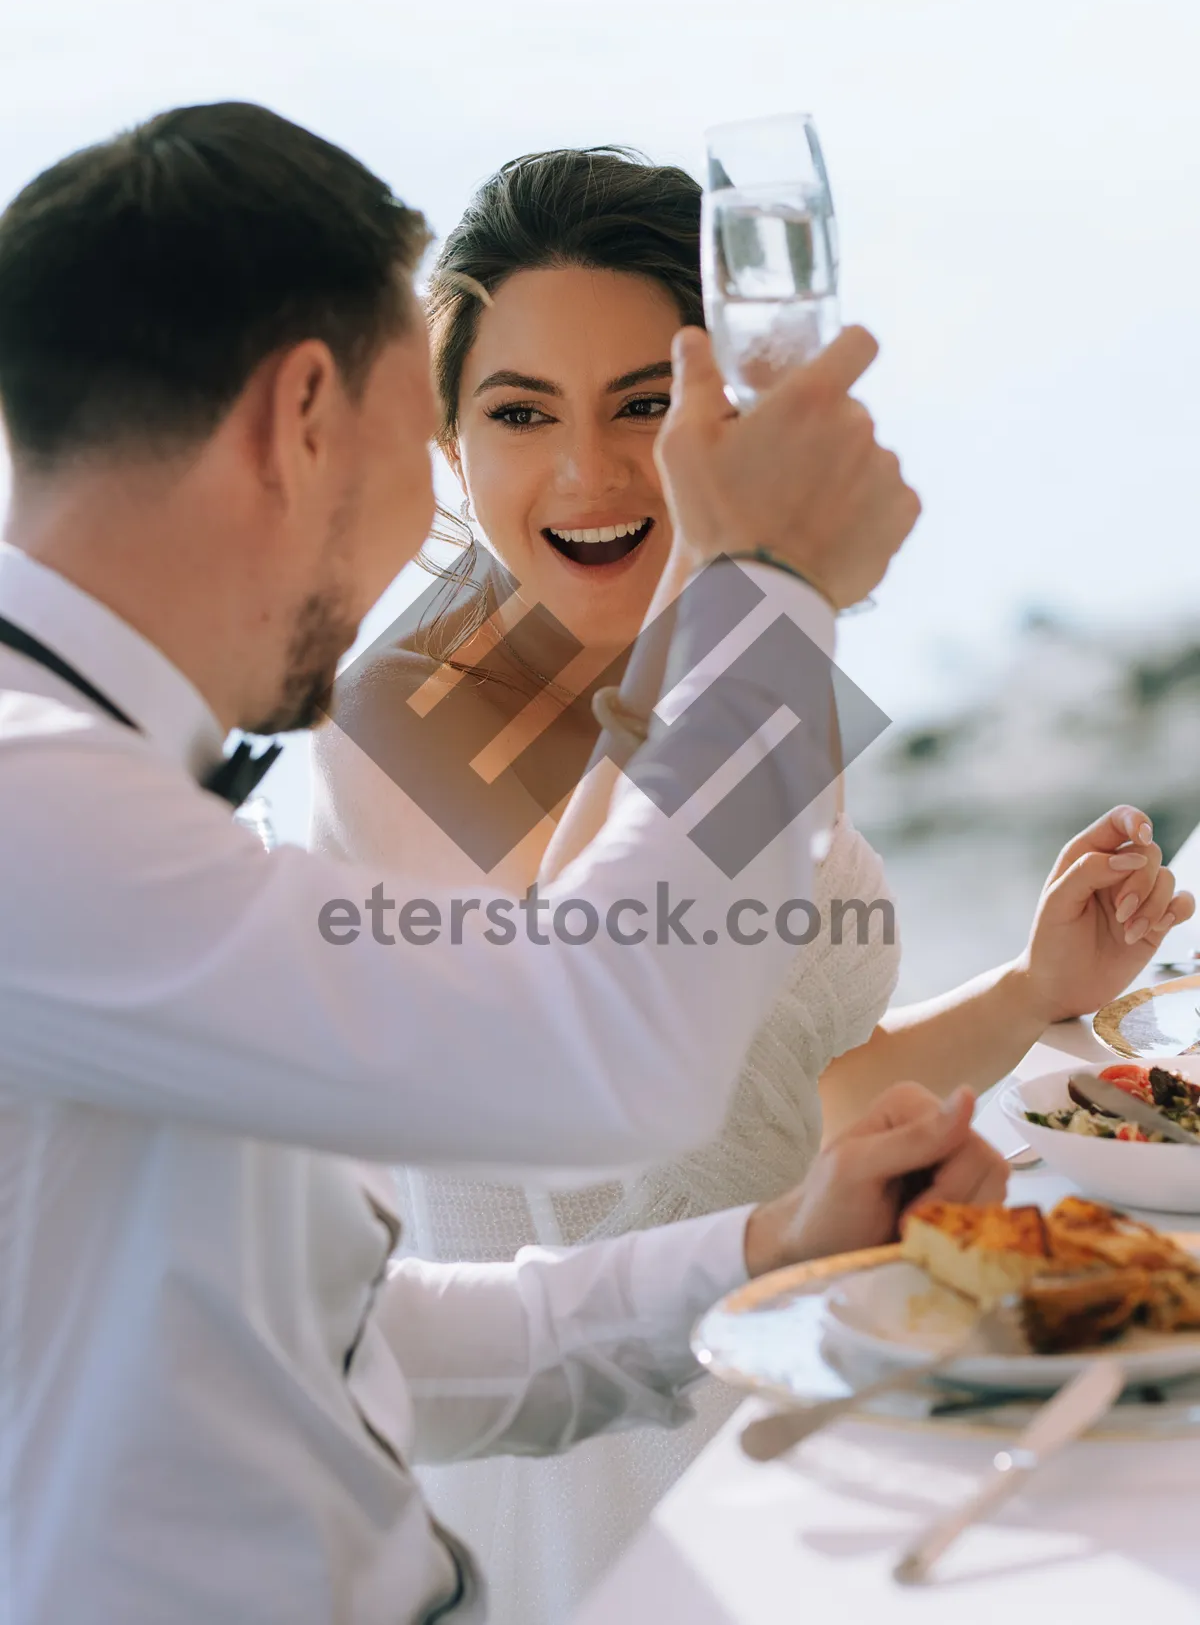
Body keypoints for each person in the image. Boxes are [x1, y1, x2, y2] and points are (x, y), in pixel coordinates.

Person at [0, 98, 961, 1625]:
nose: (434, 540)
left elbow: (335, 1329)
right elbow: (598, 1062)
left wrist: (774, 1245)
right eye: (452, 422)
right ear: (308, 415)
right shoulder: (33, 809)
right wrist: (767, 593)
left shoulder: (98, 795)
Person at [312, 146, 1194, 1625]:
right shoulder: (410, 708)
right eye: (519, 414)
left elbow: (784, 1101)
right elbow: (604, 1063)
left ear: (722, 414)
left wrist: (1034, 993)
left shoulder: (745, 659)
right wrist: (738, 587)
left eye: (646, 407)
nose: (590, 474)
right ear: (449, 448)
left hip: (809, 1359)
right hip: (598, 1454)